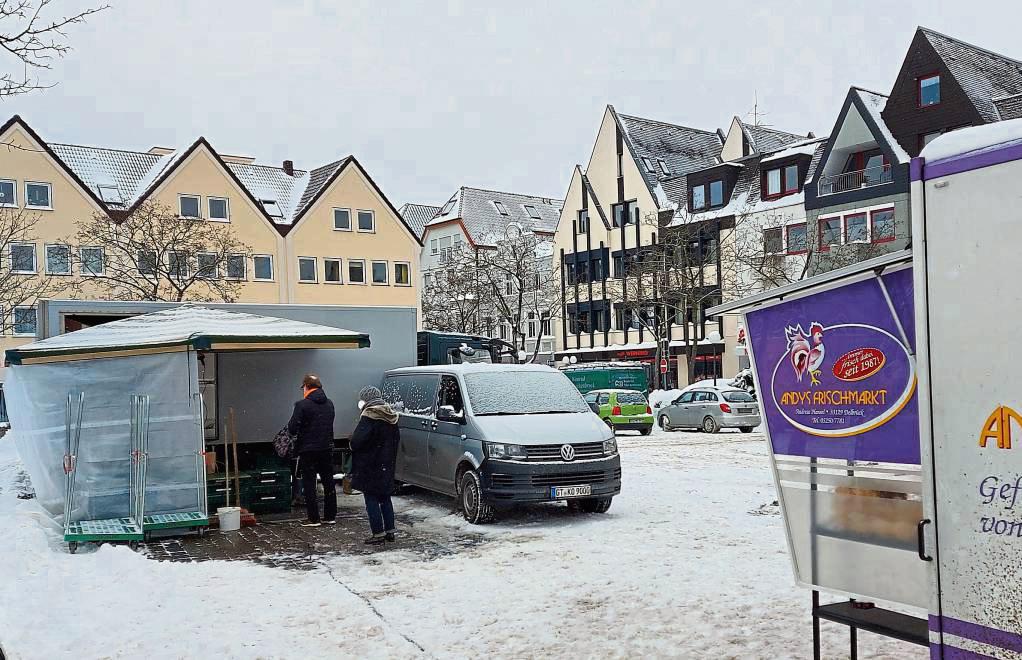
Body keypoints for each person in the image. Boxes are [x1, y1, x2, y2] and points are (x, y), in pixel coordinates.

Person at [349, 385, 400, 544]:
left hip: (369, 465)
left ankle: (377, 533)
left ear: (367, 400)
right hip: (386, 463)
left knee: (370, 498)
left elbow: (357, 441)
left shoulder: (369, 416)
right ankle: (390, 531)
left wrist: (352, 441)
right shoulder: (391, 417)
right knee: (385, 497)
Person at [287, 374, 336, 527]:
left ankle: (313, 518)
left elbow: (292, 428)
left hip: (308, 450)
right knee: (329, 482)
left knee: (309, 483)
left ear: (307, 387)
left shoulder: (302, 405)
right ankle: (330, 516)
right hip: (327, 448)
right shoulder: (330, 404)